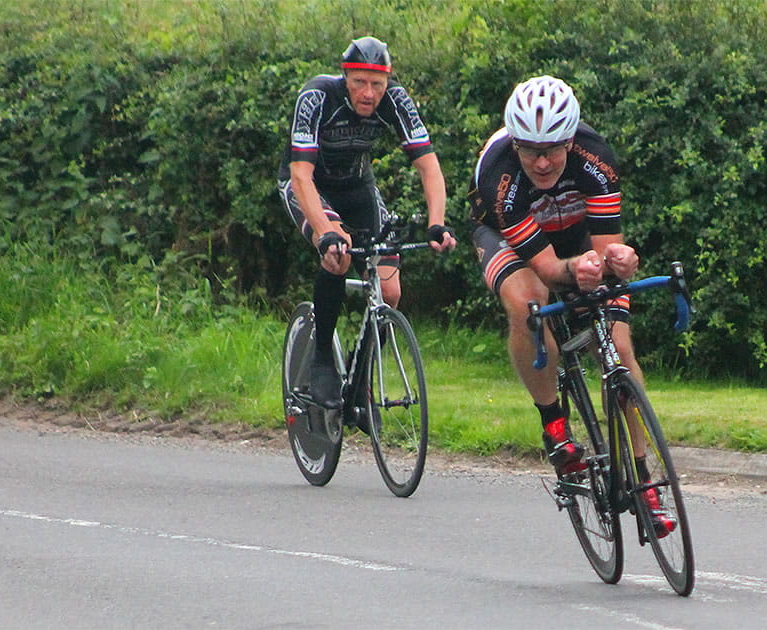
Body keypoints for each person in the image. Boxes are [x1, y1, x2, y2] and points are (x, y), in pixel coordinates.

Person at [467, 76, 673, 534]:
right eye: (530, 151)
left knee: (617, 349)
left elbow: (606, 250)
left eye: (553, 150)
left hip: (573, 232)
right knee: (530, 304)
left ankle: (645, 478)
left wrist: (619, 262)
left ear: (572, 139)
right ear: (515, 145)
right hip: (512, 242)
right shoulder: (498, 175)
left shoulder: (595, 157)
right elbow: (547, 270)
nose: (541, 162)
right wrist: (575, 269)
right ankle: (554, 423)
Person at [278, 36, 456, 409]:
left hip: (358, 187)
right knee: (338, 255)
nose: (369, 93)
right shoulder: (317, 97)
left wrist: (436, 223)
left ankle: (362, 377)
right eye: (359, 82)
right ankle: (323, 358)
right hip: (309, 185)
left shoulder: (396, 100)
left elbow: (429, 165)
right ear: (345, 77)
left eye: (377, 84)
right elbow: (300, 175)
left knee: (390, 292)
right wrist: (326, 233)